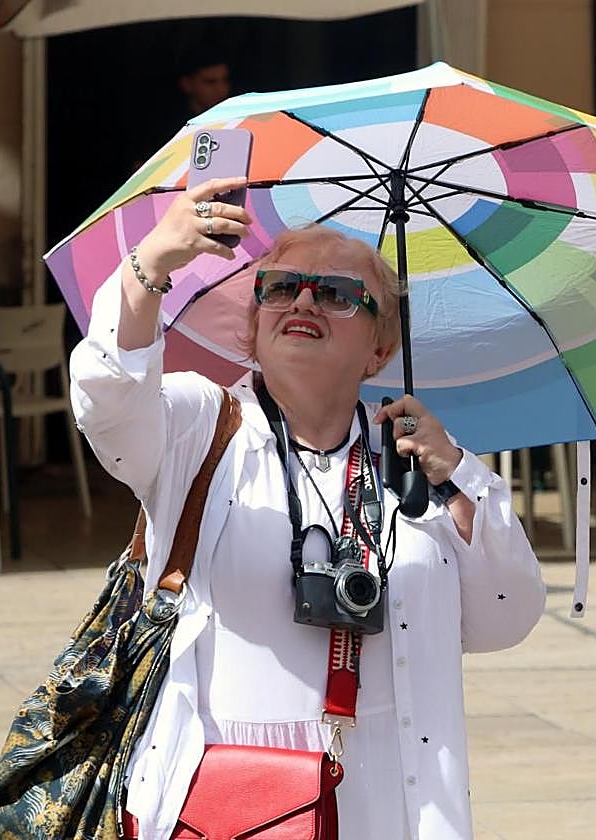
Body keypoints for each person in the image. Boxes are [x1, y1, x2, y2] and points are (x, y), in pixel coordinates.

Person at [68, 176, 546, 840]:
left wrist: (459, 477)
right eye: (281, 287)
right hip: (228, 798)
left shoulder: (412, 462)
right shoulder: (198, 425)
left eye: (340, 293)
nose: (304, 300)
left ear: (381, 347)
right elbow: (107, 403)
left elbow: (506, 615)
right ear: (253, 328)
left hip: (393, 798)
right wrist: (152, 264)